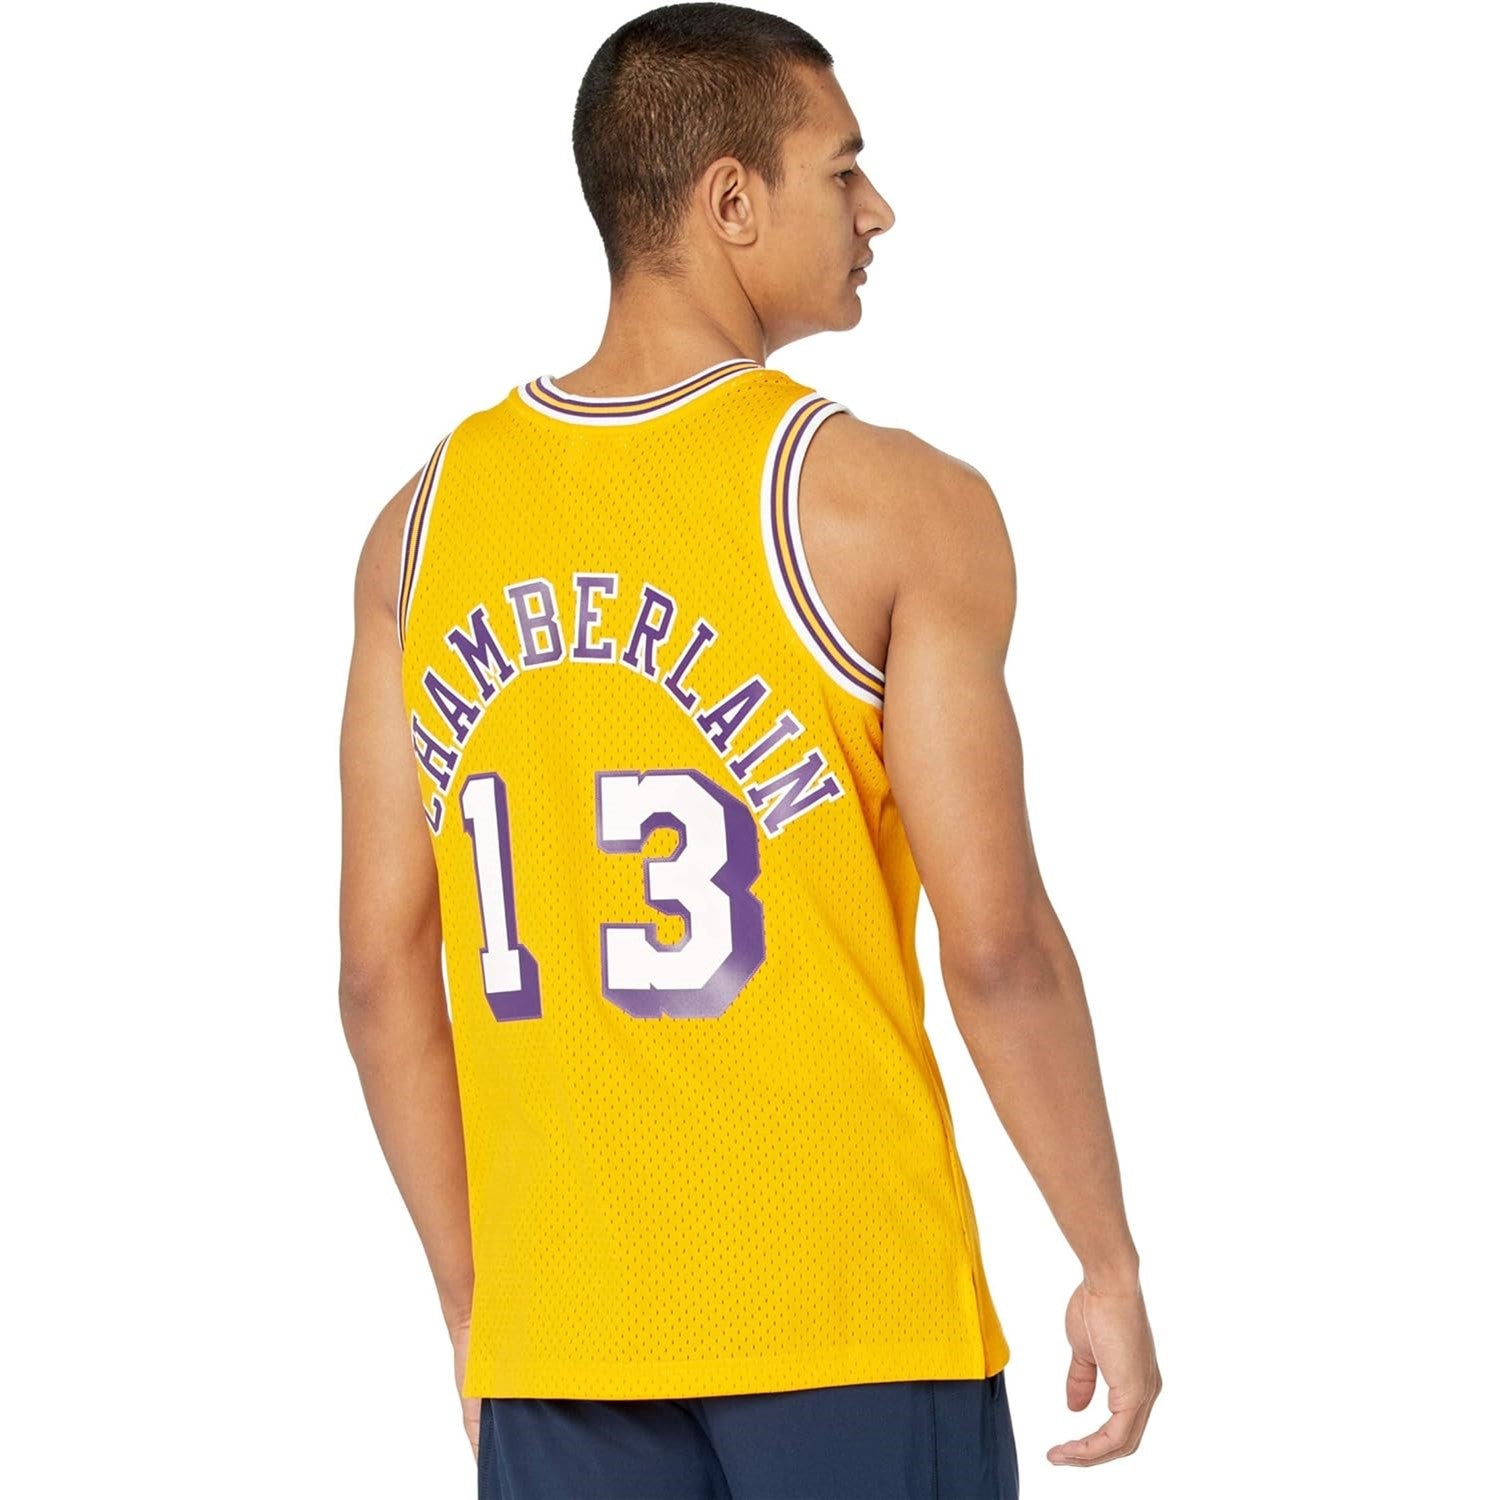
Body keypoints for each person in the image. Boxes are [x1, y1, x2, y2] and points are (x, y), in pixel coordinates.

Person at [337, 4, 1161, 1494]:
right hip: (853, 1314)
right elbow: (998, 947)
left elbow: (382, 971)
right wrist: (1106, 1257)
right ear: (732, 201)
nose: (877, 209)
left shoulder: (422, 528)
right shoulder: (890, 505)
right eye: (841, 169)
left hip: (560, 1346)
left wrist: (477, 1310)